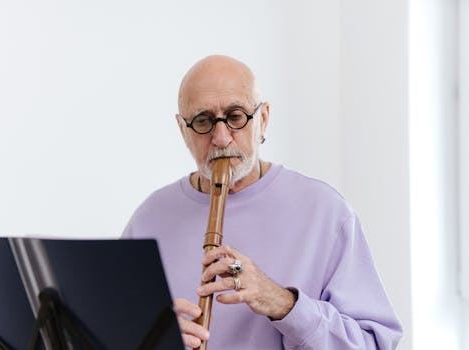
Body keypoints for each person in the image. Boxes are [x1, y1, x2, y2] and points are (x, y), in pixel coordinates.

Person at [122, 55, 403, 349]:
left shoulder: (326, 211)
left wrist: (282, 303)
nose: (220, 138)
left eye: (235, 116)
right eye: (203, 121)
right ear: (183, 130)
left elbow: (375, 344)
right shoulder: (149, 218)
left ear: (263, 119)